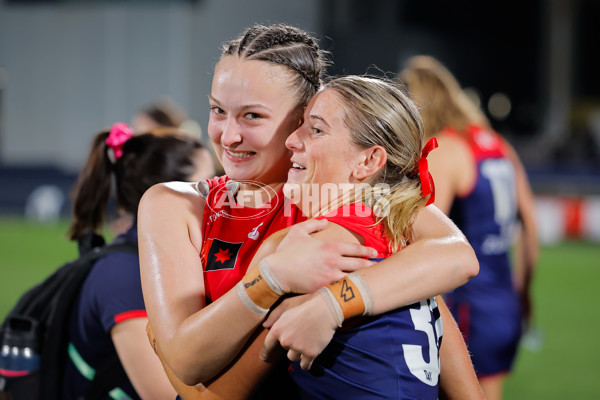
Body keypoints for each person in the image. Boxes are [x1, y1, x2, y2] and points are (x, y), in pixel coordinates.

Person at [139, 24, 482, 399]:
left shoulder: (348, 208)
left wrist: (323, 299)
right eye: (218, 110)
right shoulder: (177, 204)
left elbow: (451, 254)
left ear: (302, 117)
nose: (228, 135)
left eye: (253, 116)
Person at [400, 55, 539, 400]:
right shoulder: (495, 144)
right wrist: (523, 291)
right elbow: (531, 224)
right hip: (503, 298)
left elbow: (426, 230)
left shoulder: (446, 150)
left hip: (467, 305)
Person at [63, 123, 208, 399]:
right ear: (167, 194)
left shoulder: (146, 258)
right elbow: (165, 394)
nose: (222, 193)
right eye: (205, 184)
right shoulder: (125, 275)